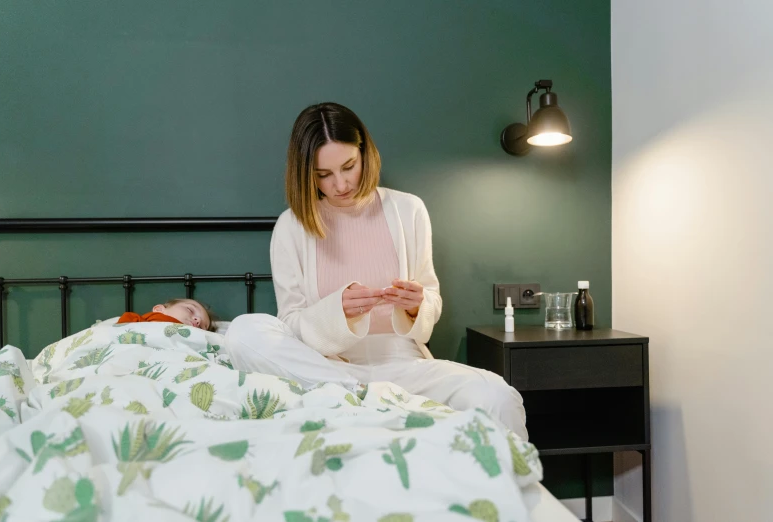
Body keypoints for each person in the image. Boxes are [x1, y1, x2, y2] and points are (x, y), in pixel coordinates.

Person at [226, 102, 527, 439]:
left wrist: (416, 305)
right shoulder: (291, 226)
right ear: (305, 173)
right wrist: (335, 312)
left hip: (404, 365)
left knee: (496, 395)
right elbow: (291, 323)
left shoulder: (408, 210)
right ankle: (355, 392)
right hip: (325, 369)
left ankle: (369, 399)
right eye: (323, 175)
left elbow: (430, 305)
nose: (340, 184)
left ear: (364, 152)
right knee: (243, 331)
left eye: (348, 166)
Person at [117, 298, 215, 331]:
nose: (198, 320)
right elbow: (122, 328)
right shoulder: (148, 320)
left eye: (202, 327)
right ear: (159, 309)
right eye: (190, 310)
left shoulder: (196, 338)